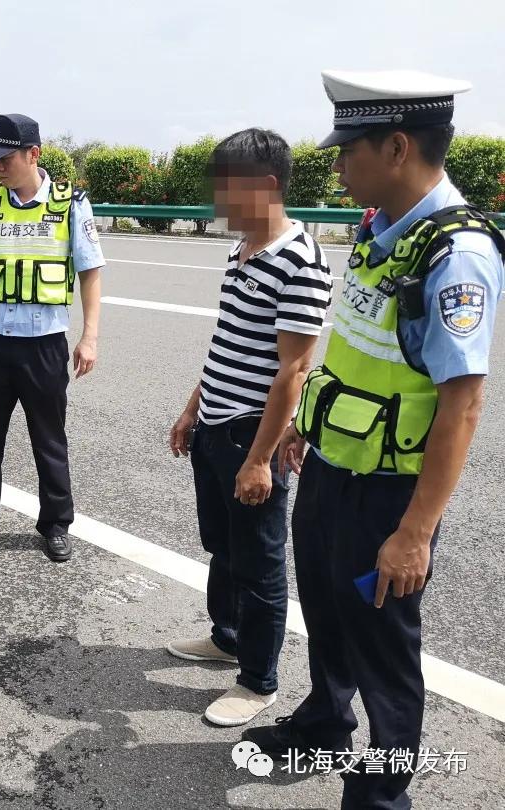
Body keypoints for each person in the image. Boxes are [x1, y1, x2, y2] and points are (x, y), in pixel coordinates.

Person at [243, 70, 505, 810]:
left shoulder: (457, 258)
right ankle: (326, 722)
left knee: (386, 653)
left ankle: (381, 795)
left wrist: (415, 533)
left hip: (391, 493)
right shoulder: (380, 226)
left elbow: (463, 406)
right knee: (326, 610)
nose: (336, 165)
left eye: (347, 149)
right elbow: (360, 347)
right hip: (332, 465)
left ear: (396, 147)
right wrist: (307, 423)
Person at [167, 129, 333, 727]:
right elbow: (228, 343)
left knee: (260, 561)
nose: (219, 204)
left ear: (265, 187)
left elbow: (293, 369)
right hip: (215, 424)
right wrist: (193, 407)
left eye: (227, 190)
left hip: (250, 435)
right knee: (222, 545)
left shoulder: (302, 261)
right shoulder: (241, 250)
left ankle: (258, 679)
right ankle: (226, 635)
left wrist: (260, 458)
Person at [0, 113, 104, 561]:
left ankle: (56, 524)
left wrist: (89, 337)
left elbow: (91, 274)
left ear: (34, 154)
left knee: (49, 439)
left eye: (7, 158)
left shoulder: (70, 205)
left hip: (44, 345)